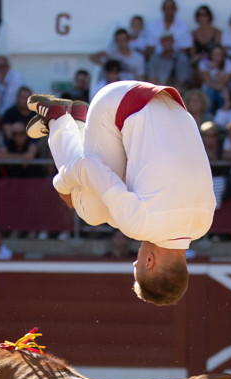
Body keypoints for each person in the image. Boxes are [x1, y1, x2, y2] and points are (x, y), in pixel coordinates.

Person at [29, 83, 215, 305]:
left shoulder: (204, 224)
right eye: (136, 265)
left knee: (112, 210)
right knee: (93, 212)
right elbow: (88, 166)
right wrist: (62, 186)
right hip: (118, 102)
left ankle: (76, 121)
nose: (134, 261)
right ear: (149, 261)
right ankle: (59, 119)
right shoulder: (140, 224)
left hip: (173, 105)